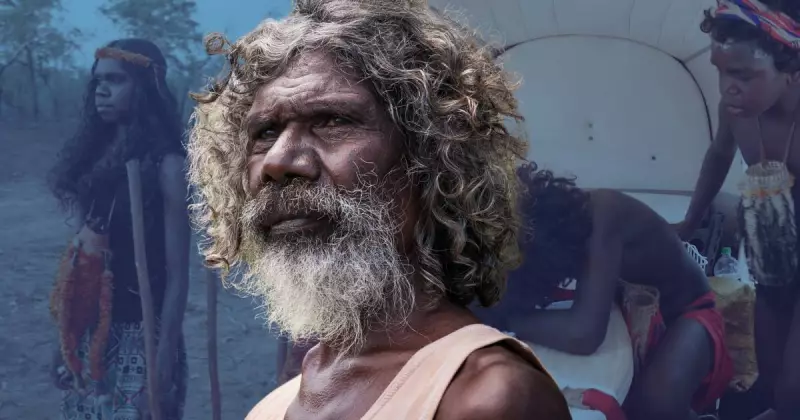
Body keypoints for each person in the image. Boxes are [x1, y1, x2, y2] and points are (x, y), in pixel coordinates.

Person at [186, 0, 571, 418]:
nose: (278, 162)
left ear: (431, 155)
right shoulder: (272, 408)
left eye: (332, 121)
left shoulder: (485, 396)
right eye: (265, 132)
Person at [475, 168, 732, 420]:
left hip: (690, 312)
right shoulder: (567, 230)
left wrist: (502, 320)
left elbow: (584, 335)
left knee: (657, 405)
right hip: (640, 314)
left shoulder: (604, 215)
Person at [47, 38, 190, 419]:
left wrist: (163, 359)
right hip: (92, 329)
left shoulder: (168, 166)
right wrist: (65, 339)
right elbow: (81, 263)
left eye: (115, 80)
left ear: (144, 87)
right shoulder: (93, 164)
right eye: (98, 81)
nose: (101, 90)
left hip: (142, 335)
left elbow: (178, 276)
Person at [677, 1, 800, 419]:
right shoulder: (736, 111)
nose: (727, 87)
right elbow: (718, 156)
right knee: (769, 375)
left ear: (792, 71)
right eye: (721, 71)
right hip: (770, 243)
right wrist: (690, 222)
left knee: (793, 386)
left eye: (743, 75)